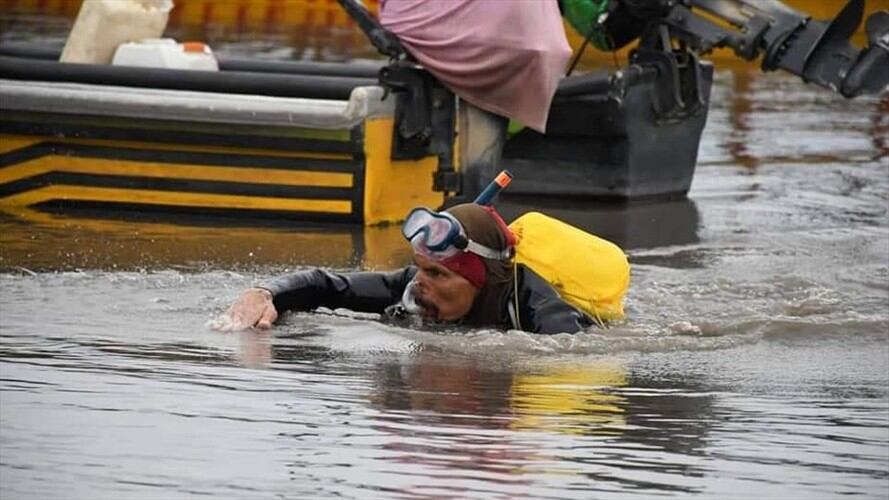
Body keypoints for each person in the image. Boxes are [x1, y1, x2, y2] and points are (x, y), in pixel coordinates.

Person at [212, 203, 595, 335]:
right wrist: (264, 293)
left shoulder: (538, 308)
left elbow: (576, 358)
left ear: (481, 281)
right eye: (420, 269)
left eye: (438, 274)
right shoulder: (411, 285)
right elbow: (327, 285)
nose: (420, 284)